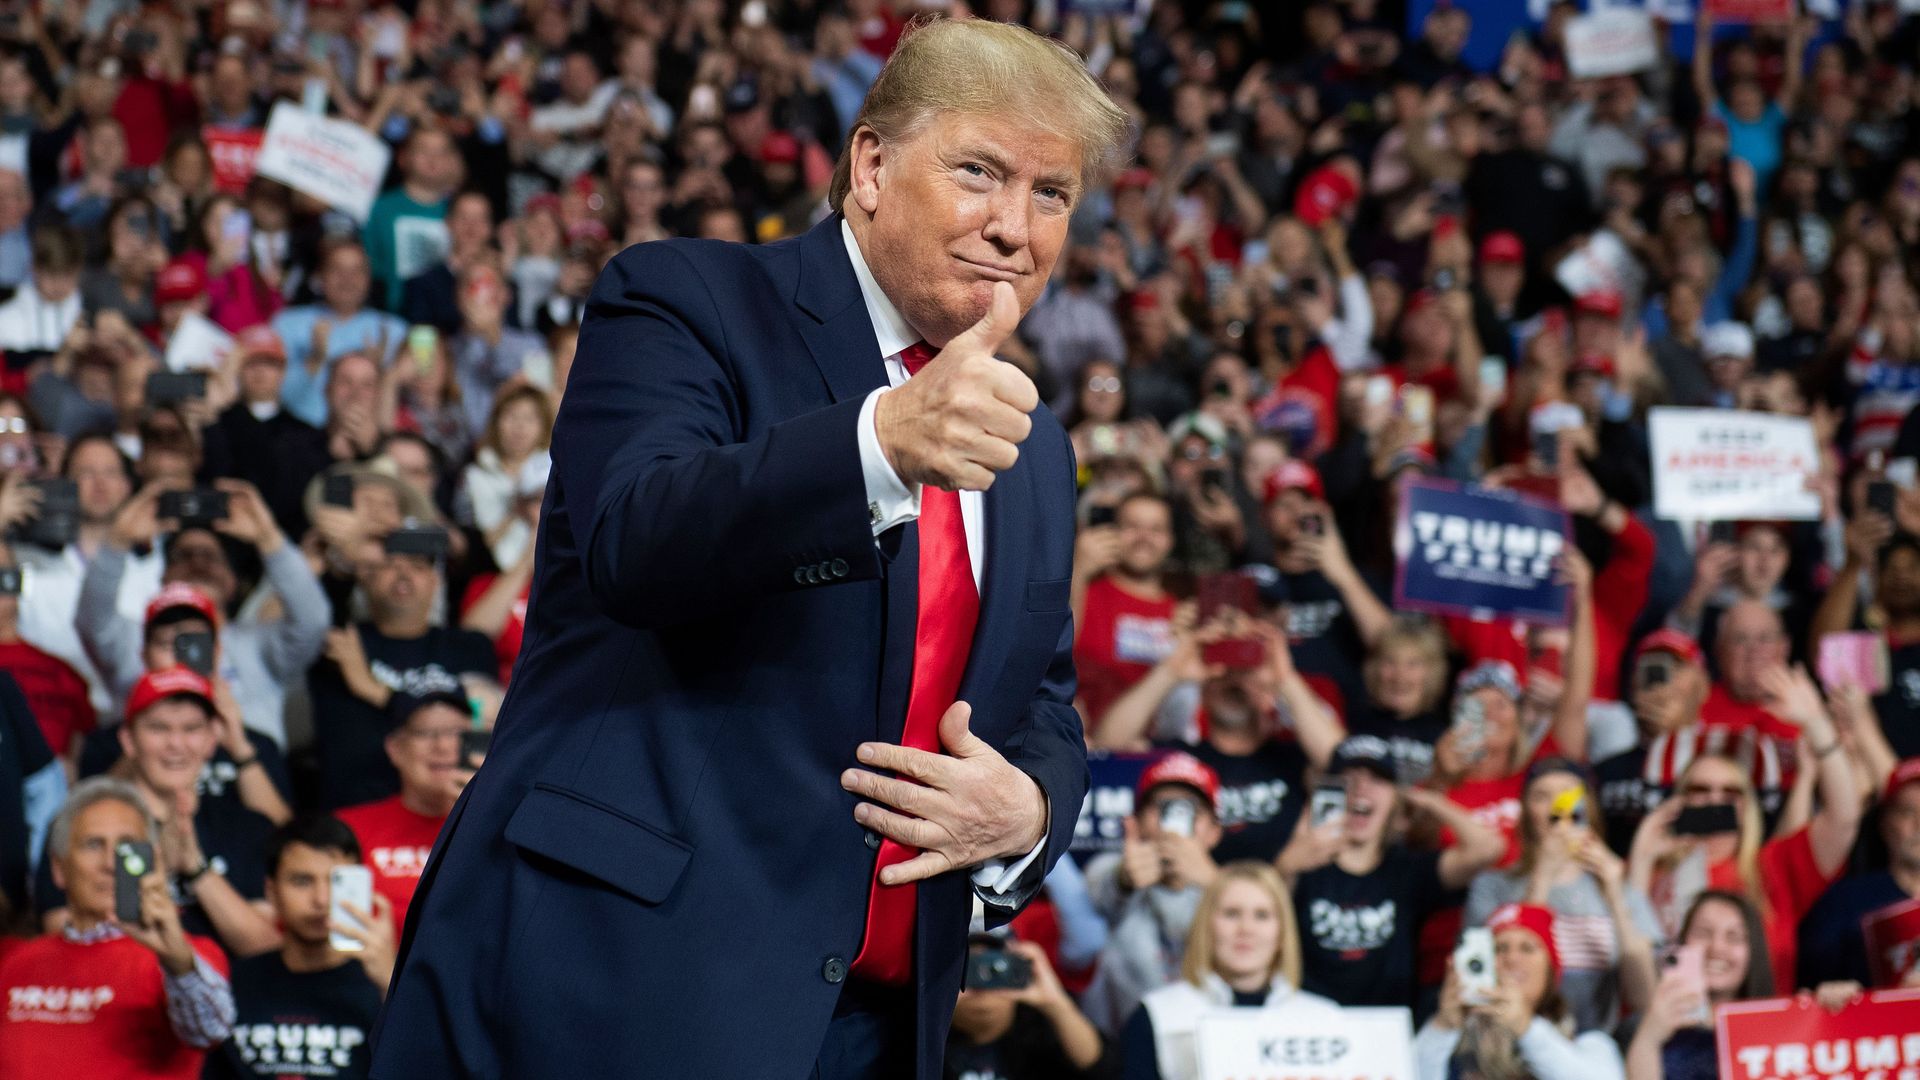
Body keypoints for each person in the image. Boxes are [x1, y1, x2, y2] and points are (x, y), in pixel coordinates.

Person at [373, 20, 1128, 1078]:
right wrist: (880, 443)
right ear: (870, 166)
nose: (1014, 227)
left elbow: (1039, 696)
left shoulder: (1033, 443)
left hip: (873, 1031)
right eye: (979, 173)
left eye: (1051, 193)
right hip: (615, 984)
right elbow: (635, 541)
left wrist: (1031, 810)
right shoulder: (685, 298)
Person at [34, 668, 279, 956]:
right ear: (128, 740)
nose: (175, 744)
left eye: (191, 729)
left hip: (226, 994)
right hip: (117, 991)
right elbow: (59, 929)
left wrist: (195, 868)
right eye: (158, 728)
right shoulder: (82, 823)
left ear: (212, 739)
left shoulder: (247, 826)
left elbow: (265, 946)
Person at [0, 777, 234, 1078]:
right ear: (59, 868)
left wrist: (178, 962)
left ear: (154, 861)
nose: (111, 863)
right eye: (93, 844)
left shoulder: (187, 957)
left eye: (127, 847)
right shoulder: (13, 958)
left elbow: (210, 1032)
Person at [1628, 706, 1862, 995]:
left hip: (1759, 1030)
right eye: (1700, 790)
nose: (1716, 799)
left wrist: (1815, 721)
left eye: (1731, 792)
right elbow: (1627, 955)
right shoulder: (1648, 868)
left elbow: (1844, 818)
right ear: (1680, 799)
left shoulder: (1772, 867)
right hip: (1672, 1026)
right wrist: (1641, 855)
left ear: (1746, 806)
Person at [1281, 735, 1507, 1010]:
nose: (1361, 789)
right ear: (1328, 790)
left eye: (1378, 780)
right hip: (1310, 1021)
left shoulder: (1405, 869)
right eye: (1348, 779)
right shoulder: (1299, 865)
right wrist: (1285, 866)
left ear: (1394, 797)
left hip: (1388, 1028)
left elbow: (1488, 848)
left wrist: (1429, 798)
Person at [1466, 759, 1660, 1032]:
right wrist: (1542, 876)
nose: (1558, 807)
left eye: (1568, 794)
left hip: (1595, 1043)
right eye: (1542, 796)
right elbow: (1485, 980)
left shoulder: (1619, 885)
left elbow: (1643, 998)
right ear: (1526, 813)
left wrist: (1616, 894)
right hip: (1514, 1032)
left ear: (1589, 808)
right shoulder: (1492, 886)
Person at [310, 533, 495, 810]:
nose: (403, 574)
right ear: (366, 578)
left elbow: (482, 717)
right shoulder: (338, 642)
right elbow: (311, 608)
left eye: (418, 566)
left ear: (436, 581)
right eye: (389, 565)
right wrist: (342, 555)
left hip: (454, 809)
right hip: (358, 817)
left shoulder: (470, 646)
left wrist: (373, 690)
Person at [207, 814, 394, 1080]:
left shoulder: (382, 987)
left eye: (335, 882)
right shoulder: (234, 982)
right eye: (302, 881)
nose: (321, 899)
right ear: (271, 892)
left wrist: (390, 984)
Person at [1121, 862, 1340, 1080]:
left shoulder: (1326, 1018)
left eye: (1262, 915)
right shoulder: (1159, 1014)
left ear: (1282, 932)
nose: (1246, 928)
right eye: (1231, 913)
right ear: (1207, 925)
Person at [1082, 753, 1228, 1035]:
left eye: (1190, 809)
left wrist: (1215, 884)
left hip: (1211, 1037)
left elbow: (1263, 912)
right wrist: (1126, 879)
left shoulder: (1231, 885)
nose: (1173, 822)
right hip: (1124, 1039)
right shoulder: (1111, 868)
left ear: (1214, 832)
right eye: (1162, 807)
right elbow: (1102, 892)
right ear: (1135, 822)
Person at [1415, 903, 1627, 1080]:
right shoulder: (1456, 1043)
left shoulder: (1587, 1042)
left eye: (1527, 948)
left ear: (1550, 969)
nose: (1512, 959)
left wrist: (1525, 1028)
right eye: (1500, 948)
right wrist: (1443, 1027)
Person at [335, 691, 472, 932]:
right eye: (425, 733)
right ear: (395, 748)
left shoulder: (502, 829)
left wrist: (478, 817)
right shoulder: (346, 829)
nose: (443, 745)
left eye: (458, 733)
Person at [1621, 891, 1773, 1080]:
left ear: (1753, 953)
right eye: (1703, 932)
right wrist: (1649, 1039)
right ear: (1682, 943)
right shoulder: (1646, 1026)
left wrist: (1819, 1014)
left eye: (1733, 937)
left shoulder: (1778, 1029)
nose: (1717, 947)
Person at [1797, 758, 1920, 988]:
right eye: (1907, 812)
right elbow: (1812, 990)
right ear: (1885, 823)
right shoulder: (1844, 902)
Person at [943, 934, 1116, 1080]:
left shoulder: (1038, 1034)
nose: (982, 990)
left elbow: (1103, 1070)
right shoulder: (925, 1041)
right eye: (968, 971)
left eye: (996, 969)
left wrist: (1055, 1002)